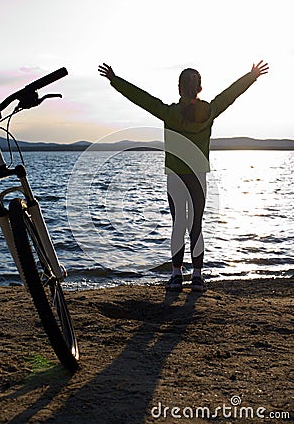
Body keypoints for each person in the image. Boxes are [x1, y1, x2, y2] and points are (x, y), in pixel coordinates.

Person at [98, 60, 269, 292]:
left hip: (176, 176)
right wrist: (251, 76)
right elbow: (230, 95)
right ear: (199, 89)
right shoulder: (208, 111)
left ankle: (177, 276)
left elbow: (142, 98)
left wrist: (114, 80)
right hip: (198, 176)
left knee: (178, 224)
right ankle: (197, 277)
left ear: (179, 89)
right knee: (196, 224)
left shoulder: (169, 114)